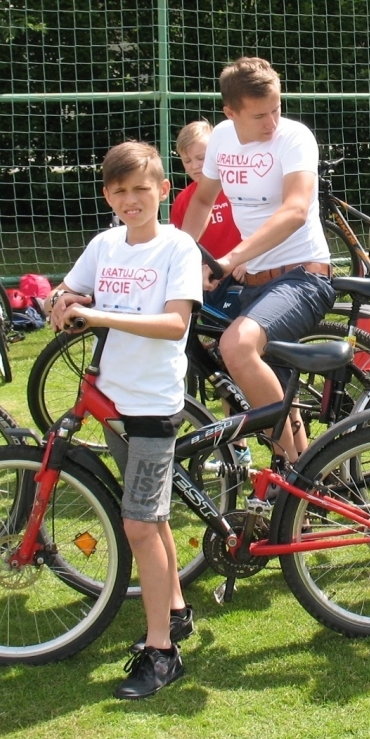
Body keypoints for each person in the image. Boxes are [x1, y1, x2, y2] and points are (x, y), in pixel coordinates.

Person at [45, 141, 202, 699]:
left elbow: (175, 325)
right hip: (111, 400)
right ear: (107, 196)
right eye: (119, 191)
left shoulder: (178, 247)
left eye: (141, 189)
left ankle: (162, 652)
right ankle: (175, 611)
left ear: (163, 190)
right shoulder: (105, 244)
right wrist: (61, 300)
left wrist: (97, 315)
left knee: (138, 524)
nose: (130, 199)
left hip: (154, 404)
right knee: (151, 520)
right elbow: (73, 287)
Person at [179, 57, 333, 464]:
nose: (272, 123)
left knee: (236, 345)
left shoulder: (294, 138)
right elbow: (202, 200)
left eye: (277, 109)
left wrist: (229, 258)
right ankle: (303, 474)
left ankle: (292, 471)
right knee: (273, 387)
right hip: (254, 282)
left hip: (302, 276)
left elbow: (295, 210)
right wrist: (182, 256)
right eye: (260, 115)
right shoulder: (222, 139)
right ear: (230, 113)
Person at [169, 120, 241, 311]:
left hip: (244, 273)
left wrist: (250, 260)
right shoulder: (182, 200)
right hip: (207, 280)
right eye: (187, 161)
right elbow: (182, 249)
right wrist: (196, 272)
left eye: (201, 158)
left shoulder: (238, 186)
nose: (195, 166)